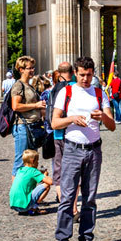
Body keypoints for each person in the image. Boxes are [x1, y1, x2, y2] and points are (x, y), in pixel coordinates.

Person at [50, 56, 115, 241]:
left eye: (88, 75)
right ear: (75, 74)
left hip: (94, 149)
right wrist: (71, 119)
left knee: (90, 196)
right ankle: (62, 239)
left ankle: (86, 236)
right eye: (81, 75)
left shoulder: (98, 93)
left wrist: (102, 117)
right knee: (68, 197)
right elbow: (54, 123)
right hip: (72, 148)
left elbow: (112, 125)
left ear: (93, 73)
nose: (85, 79)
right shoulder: (66, 92)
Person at [10, 56, 46, 177]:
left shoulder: (29, 85)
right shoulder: (18, 85)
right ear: (21, 69)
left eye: (33, 68)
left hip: (32, 126)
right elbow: (15, 106)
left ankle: (27, 192)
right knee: (20, 162)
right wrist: (36, 105)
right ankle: (16, 195)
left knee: (31, 162)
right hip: (23, 127)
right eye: (29, 68)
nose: (32, 70)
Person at [48, 62, 74, 206]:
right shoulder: (74, 88)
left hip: (57, 132)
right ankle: (71, 203)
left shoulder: (54, 88)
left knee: (58, 168)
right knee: (74, 170)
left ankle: (63, 201)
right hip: (73, 132)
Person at [9, 149, 51, 215]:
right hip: (25, 207)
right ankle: (33, 208)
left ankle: (29, 207)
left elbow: (30, 176)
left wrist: (40, 174)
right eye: (37, 161)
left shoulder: (20, 170)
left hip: (14, 205)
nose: (38, 162)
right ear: (33, 161)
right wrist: (45, 175)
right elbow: (50, 182)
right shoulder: (33, 171)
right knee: (46, 185)